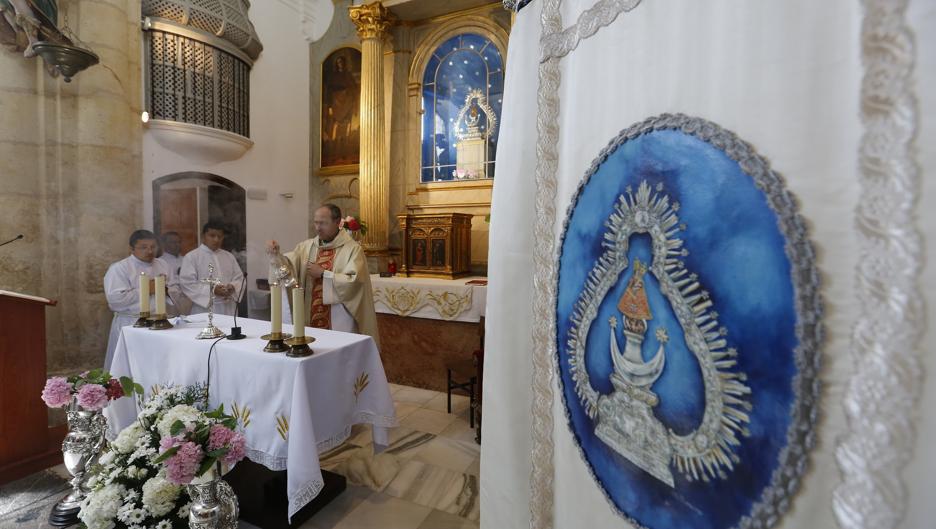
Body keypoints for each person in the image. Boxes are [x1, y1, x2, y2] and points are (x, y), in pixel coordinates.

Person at [266, 204, 379, 346]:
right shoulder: (306, 247)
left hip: (340, 321)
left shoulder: (353, 249)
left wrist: (323, 274)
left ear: (337, 222)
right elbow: (289, 270)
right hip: (309, 320)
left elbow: (354, 282)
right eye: (316, 222)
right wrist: (276, 256)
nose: (318, 228)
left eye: (323, 223)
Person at [102, 230, 175, 370]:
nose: (149, 251)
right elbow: (116, 299)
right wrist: (148, 289)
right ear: (131, 249)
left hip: (159, 321)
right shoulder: (120, 268)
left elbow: (175, 288)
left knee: (155, 365)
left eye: (153, 247)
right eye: (144, 247)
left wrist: (164, 290)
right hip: (130, 322)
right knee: (130, 366)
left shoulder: (163, 265)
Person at [179, 221, 244, 316]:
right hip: (204, 309)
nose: (216, 240)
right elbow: (187, 283)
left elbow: (239, 278)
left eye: (220, 237)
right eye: (212, 236)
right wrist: (212, 290)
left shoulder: (229, 256)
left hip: (228, 307)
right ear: (203, 236)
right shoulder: (192, 257)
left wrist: (233, 287)